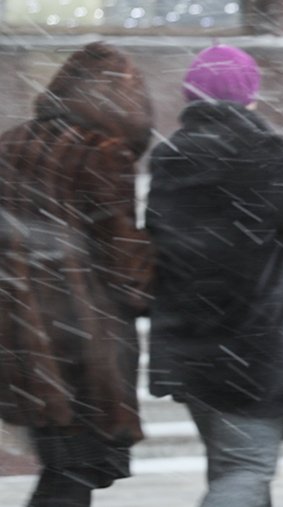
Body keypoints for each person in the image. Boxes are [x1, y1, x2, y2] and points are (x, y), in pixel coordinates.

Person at [145, 44, 283, 507]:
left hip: (189, 343)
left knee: (232, 468)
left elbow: (158, 243)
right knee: (245, 470)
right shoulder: (268, 152)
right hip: (254, 348)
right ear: (250, 96)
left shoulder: (170, 157)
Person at [0, 42, 155, 506]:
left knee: (64, 465)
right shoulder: (104, 153)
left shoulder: (10, 143)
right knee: (75, 471)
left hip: (20, 331)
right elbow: (122, 256)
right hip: (80, 342)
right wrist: (153, 270)